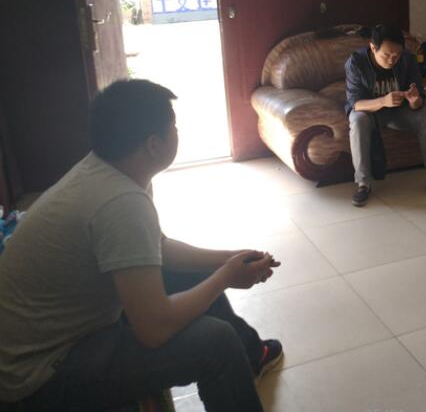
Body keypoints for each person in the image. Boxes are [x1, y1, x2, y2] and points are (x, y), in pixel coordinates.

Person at [0, 80, 283, 411]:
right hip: (39, 374)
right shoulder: (121, 202)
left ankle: (250, 358)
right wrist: (225, 277)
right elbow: (153, 329)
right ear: (154, 145)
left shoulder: (112, 170)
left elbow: (157, 249)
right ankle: (237, 363)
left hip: (53, 339)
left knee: (197, 276)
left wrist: (226, 261)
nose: (178, 132)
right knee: (216, 342)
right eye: (173, 126)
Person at [345, 24, 426, 207]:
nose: (392, 60)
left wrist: (415, 101)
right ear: (373, 48)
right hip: (369, 112)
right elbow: (356, 103)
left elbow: (419, 100)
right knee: (358, 120)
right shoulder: (356, 62)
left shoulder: (407, 59)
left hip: (398, 112)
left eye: (396, 55)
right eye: (386, 55)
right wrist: (383, 101)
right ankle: (363, 184)